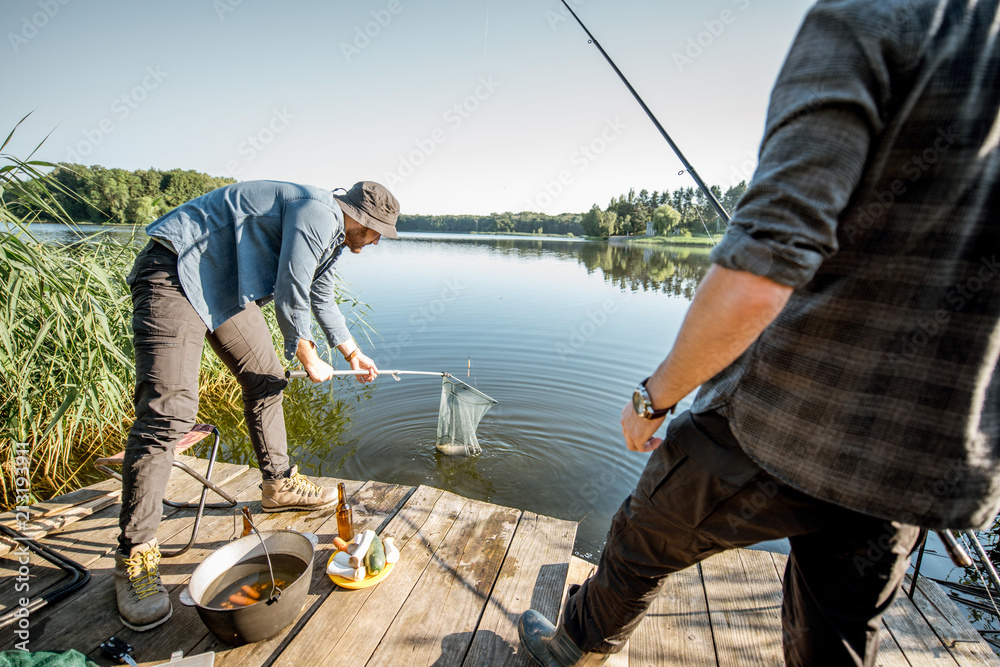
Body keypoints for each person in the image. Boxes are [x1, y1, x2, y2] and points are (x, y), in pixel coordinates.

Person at [519, 0, 1000, 665]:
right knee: (834, 641)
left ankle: (574, 643)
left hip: (785, 420)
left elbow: (759, 272)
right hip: (918, 460)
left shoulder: (874, 16)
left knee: (642, 533)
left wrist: (652, 398)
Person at [114, 180, 399, 631]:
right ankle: (135, 553)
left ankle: (279, 485)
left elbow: (318, 295)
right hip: (174, 270)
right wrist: (307, 353)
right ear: (359, 219)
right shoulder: (318, 212)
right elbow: (290, 286)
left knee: (266, 377)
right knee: (169, 413)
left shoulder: (333, 240)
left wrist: (350, 352)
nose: (378, 240)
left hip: (221, 287)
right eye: (378, 231)